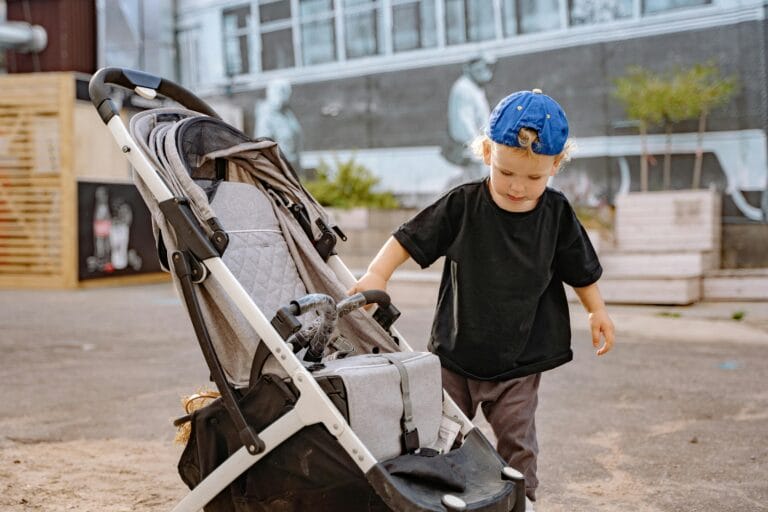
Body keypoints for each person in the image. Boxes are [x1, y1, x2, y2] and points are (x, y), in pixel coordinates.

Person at [350, 89, 615, 511]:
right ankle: (430, 496)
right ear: (488, 151)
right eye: (506, 171)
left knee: (517, 438)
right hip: (455, 354)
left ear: (556, 164)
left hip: (520, 360)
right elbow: (408, 237)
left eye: (534, 178)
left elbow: (580, 268)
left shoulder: (556, 214)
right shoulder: (463, 205)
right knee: (435, 433)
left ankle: (521, 500)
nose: (517, 186)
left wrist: (596, 309)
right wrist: (378, 273)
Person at [442, 54, 495, 188]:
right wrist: (478, 148)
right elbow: (463, 124)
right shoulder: (463, 89)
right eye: (478, 67)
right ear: (468, 68)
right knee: (476, 188)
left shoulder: (474, 88)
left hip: (481, 149)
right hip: (472, 151)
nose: (484, 71)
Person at [255, 79, 304, 176]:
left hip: (293, 165)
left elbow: (296, 135)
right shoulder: (266, 116)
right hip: (279, 169)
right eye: (281, 92)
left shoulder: (287, 114)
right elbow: (264, 145)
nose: (285, 97)